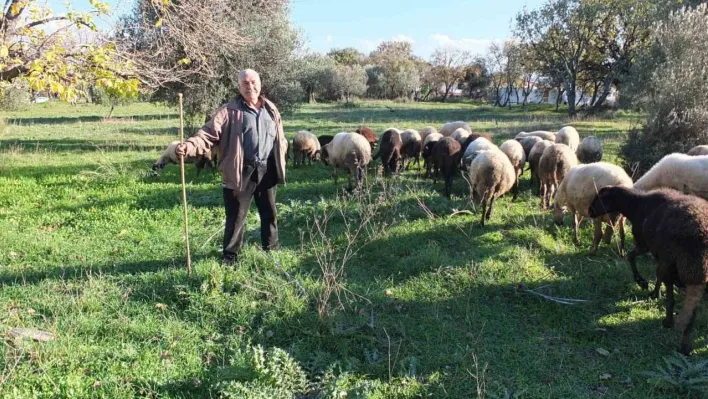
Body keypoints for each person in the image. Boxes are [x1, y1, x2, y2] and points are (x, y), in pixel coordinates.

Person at [176, 69, 288, 265]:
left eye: (253, 82)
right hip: (240, 171)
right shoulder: (228, 111)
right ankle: (230, 258)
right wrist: (190, 146)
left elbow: (280, 137)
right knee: (236, 218)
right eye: (245, 83)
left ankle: (272, 251)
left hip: (267, 169)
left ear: (260, 83)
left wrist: (282, 155)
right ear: (239, 86)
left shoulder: (271, 109)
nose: (250, 86)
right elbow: (208, 134)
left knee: (269, 213)